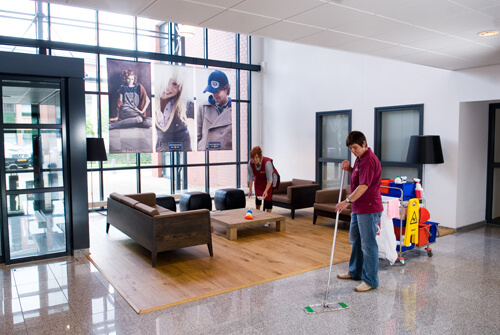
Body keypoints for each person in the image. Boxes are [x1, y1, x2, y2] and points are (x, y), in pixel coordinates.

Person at [335, 131, 383, 292]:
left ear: (364, 144)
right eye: (350, 148)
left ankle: (370, 280)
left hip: (368, 208)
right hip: (358, 207)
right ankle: (355, 272)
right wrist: (349, 168)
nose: (353, 151)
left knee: (368, 245)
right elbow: (359, 177)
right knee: (355, 241)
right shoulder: (360, 159)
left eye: (355, 147)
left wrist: (346, 202)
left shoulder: (369, 160)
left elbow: (363, 186)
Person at [155, 69, 192, 151]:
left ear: (180, 88)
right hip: (161, 147)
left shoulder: (183, 104)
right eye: (165, 81)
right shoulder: (153, 101)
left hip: (183, 147)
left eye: (174, 84)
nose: (168, 88)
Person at [197, 70, 232, 150]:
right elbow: (197, 137)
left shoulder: (235, 110)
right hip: (206, 156)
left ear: (226, 89)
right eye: (212, 92)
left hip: (225, 157)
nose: (214, 95)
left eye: (217, 91)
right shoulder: (203, 108)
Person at [247, 146, 274, 227]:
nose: (255, 160)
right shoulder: (250, 163)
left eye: (256, 157)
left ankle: (268, 218)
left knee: (267, 198)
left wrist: (266, 191)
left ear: (260, 156)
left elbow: (270, 179)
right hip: (258, 179)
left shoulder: (267, 163)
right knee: (258, 197)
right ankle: (258, 215)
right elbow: (250, 177)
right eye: (253, 158)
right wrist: (250, 190)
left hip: (268, 181)